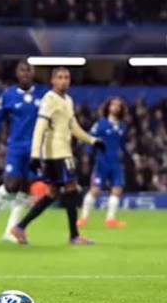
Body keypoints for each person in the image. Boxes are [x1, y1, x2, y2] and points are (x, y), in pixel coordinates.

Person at [10, 67, 105, 245]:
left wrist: (92, 140)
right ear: (52, 81)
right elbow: (40, 127)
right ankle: (74, 236)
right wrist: (35, 155)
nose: (63, 81)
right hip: (57, 153)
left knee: (52, 193)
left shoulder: (67, 100)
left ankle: (19, 227)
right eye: (60, 77)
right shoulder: (49, 99)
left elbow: (73, 127)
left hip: (62, 152)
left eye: (66, 77)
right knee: (71, 189)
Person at [0, 61, 49, 242]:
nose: (25, 73)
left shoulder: (43, 94)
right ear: (17, 74)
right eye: (22, 70)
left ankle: (10, 230)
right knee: (11, 185)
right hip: (16, 146)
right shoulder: (8, 95)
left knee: (26, 188)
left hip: (35, 149)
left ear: (32, 73)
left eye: (28, 70)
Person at [80, 97, 129, 228]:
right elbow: (91, 139)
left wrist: (128, 156)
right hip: (102, 162)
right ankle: (83, 218)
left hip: (116, 163)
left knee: (117, 190)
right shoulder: (100, 124)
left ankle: (110, 220)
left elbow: (123, 145)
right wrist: (87, 156)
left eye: (118, 105)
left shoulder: (122, 126)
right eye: (113, 104)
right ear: (108, 107)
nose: (115, 107)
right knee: (94, 190)